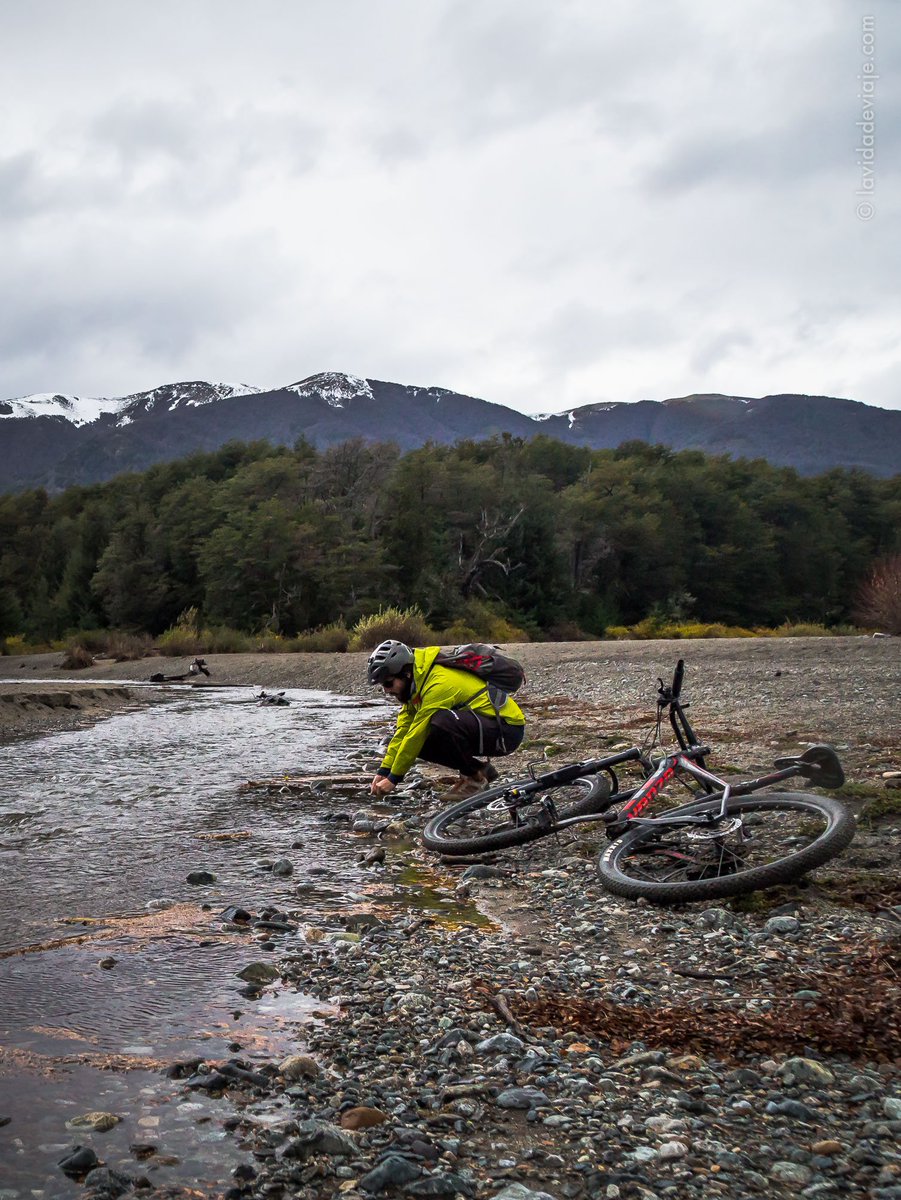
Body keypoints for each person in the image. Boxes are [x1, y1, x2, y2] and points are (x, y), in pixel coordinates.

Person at [367, 639, 525, 800]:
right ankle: (479, 771)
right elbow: (403, 731)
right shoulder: (415, 687)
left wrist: (394, 778)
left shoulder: (439, 682)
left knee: (439, 721)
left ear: (406, 674)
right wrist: (384, 770)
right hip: (484, 726)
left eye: (388, 683)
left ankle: (474, 780)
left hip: (507, 731)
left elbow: (417, 733)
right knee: (417, 741)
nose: (386, 690)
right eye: (382, 685)